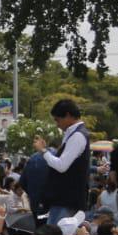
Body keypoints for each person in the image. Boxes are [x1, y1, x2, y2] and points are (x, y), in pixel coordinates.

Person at [42, 98, 93, 228]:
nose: (57, 124)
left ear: (69, 115)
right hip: (64, 198)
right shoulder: (72, 134)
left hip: (67, 199)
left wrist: (43, 152)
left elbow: (62, 166)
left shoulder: (77, 136)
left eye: (58, 119)